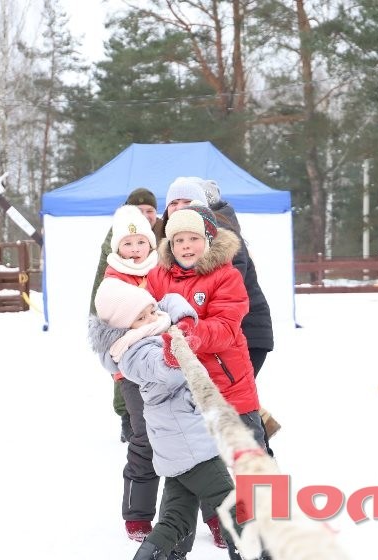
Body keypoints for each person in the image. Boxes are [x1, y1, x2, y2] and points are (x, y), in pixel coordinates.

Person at [88, 278, 244, 560]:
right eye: (140, 317)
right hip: (189, 443)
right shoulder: (132, 351)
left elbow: (170, 300)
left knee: (177, 519)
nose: (151, 317)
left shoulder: (155, 326)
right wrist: (175, 349)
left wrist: (182, 322)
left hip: (182, 443)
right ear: (124, 326)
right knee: (231, 503)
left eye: (150, 310)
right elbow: (163, 368)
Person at [146, 201, 270, 555]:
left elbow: (227, 328)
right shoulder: (157, 277)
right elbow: (143, 318)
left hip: (230, 392)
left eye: (193, 239)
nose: (186, 246)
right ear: (170, 245)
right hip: (182, 396)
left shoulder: (226, 276)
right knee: (185, 477)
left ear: (208, 240)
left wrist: (190, 333)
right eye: (178, 240)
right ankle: (173, 549)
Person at [98, 204, 163, 542]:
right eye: (128, 244)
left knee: (186, 435)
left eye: (141, 243)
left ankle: (200, 512)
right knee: (144, 436)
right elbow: (108, 331)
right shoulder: (112, 281)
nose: (135, 250)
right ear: (117, 247)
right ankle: (137, 514)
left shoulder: (162, 270)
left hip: (169, 365)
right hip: (133, 371)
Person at [200, 179, 278, 439]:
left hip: (247, 334)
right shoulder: (215, 227)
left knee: (234, 406)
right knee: (234, 402)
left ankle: (259, 453)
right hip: (241, 335)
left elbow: (228, 288)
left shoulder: (220, 232)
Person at [89, 187, 164, 444]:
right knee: (134, 400)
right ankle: (129, 422)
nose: (145, 215)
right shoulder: (116, 254)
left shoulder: (165, 238)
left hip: (158, 343)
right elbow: (103, 289)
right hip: (128, 341)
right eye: (139, 210)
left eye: (149, 210)